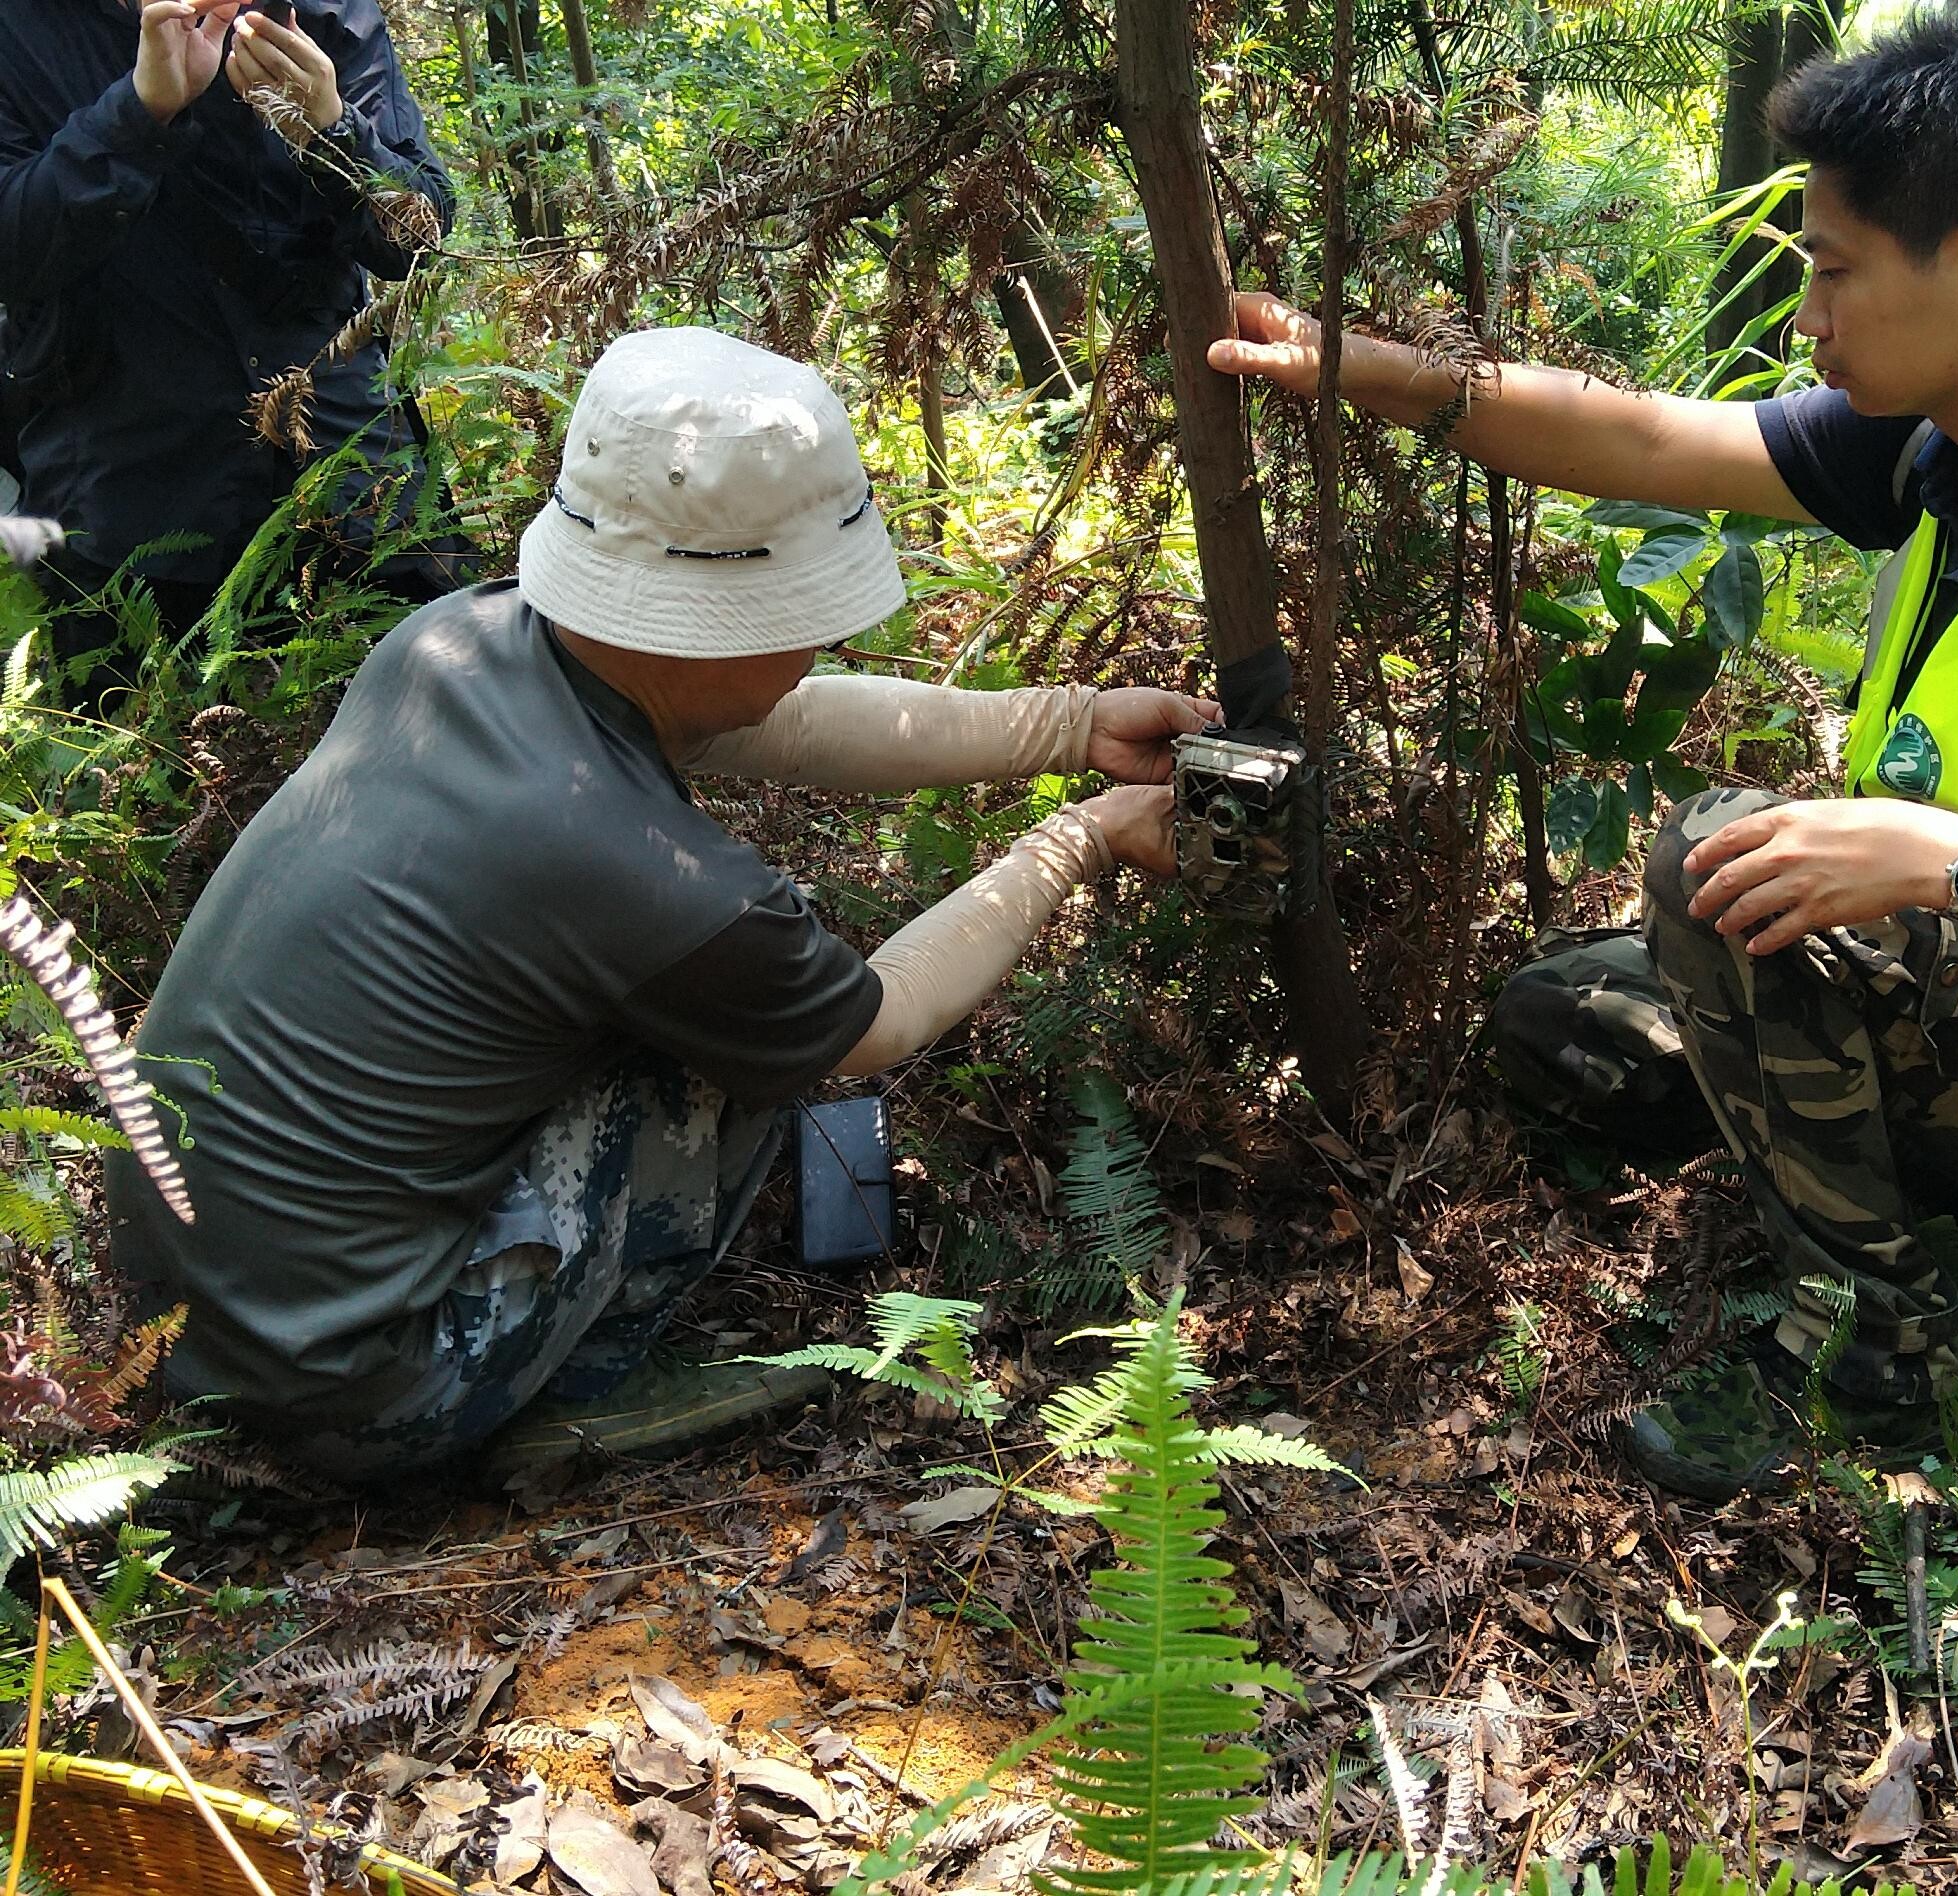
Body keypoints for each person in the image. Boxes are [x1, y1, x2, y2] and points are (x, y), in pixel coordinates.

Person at [1212, 9, 1958, 1495]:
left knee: (1708, 865)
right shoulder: (1939, 444)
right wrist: (1379, 373)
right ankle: (1922, 1206)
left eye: (1834, 271)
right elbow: (1653, 443)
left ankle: (1877, 1352)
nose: (1811, 316)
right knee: (1565, 1021)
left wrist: (1949, 865)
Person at [106, 327, 1213, 1483]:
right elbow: (872, 1020)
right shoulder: (632, 871)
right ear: (710, 630)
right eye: (797, 617)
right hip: (346, 1391)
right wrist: (1079, 836)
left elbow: (772, 714)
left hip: (174, 1326)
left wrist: (1070, 724)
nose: (818, 642)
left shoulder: (459, 641)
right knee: (724, 1056)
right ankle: (571, 1381)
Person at [0, 0, 461, 702]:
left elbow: (414, 233)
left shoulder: (329, 14)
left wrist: (331, 131)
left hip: (356, 484)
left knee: (433, 735)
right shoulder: (22, 29)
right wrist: (136, 114)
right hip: (128, 508)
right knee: (158, 789)